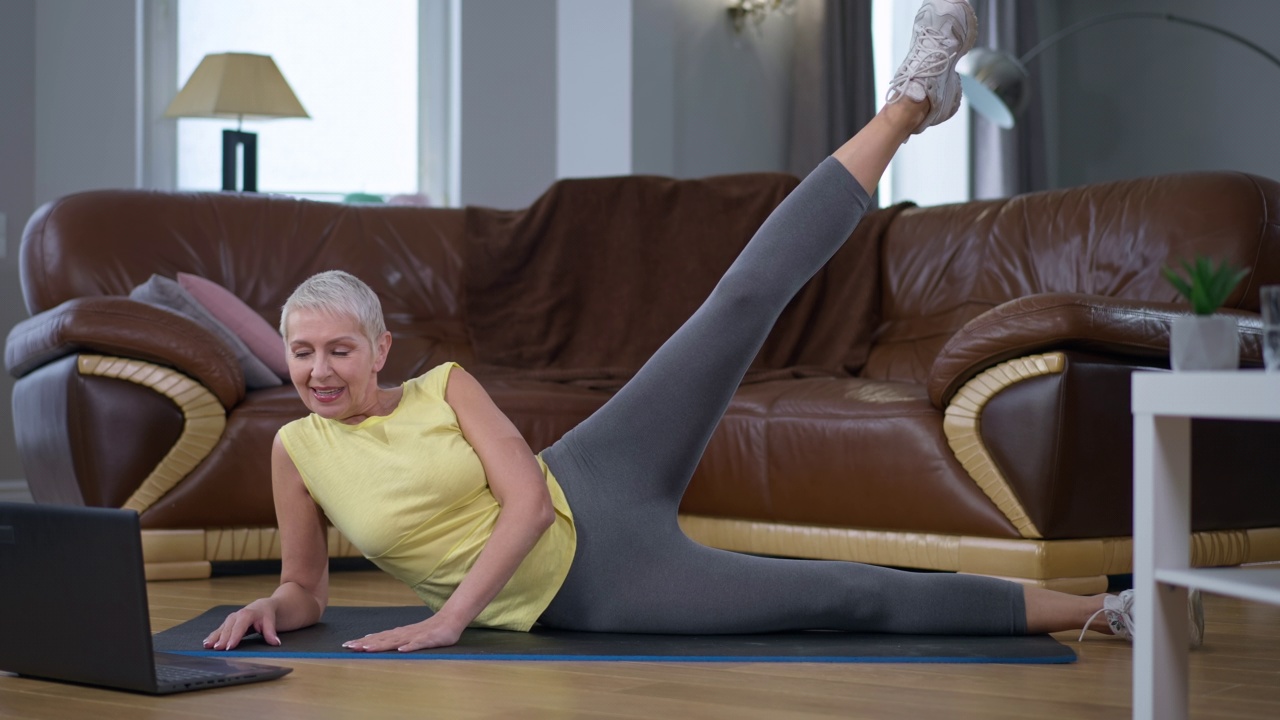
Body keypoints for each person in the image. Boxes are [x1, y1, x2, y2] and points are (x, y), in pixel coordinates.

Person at [204, 0, 1202, 654]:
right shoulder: (295, 450)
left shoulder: (443, 386)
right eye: (302, 352)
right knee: (841, 599)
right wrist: (272, 610)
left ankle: (907, 102)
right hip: (595, 585)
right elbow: (305, 592)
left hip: (586, 479)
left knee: (735, 304)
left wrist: (448, 621)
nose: (321, 371)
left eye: (342, 348)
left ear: (381, 348)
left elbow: (525, 510)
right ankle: (1101, 611)